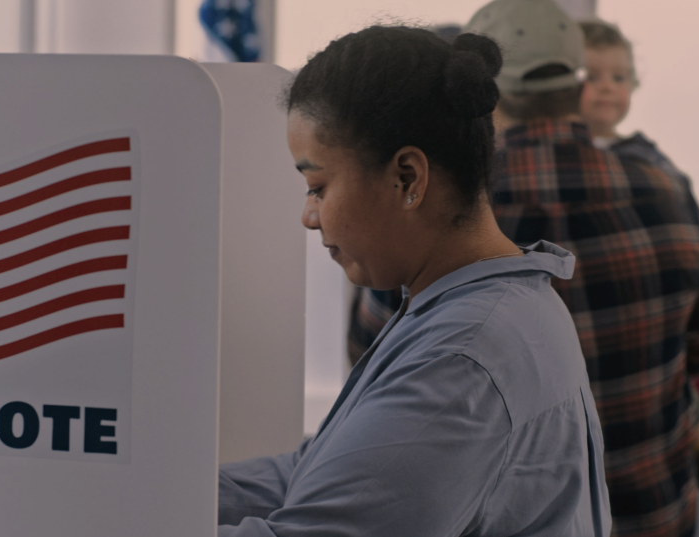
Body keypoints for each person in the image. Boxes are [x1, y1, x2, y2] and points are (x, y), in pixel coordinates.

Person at [218, 24, 610, 536]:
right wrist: (163, 486)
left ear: (408, 178)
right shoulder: (476, 305)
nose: (309, 216)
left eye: (317, 186)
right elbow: (317, 473)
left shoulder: (463, 358)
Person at [467, 1, 699, 535]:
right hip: (654, 509)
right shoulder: (670, 189)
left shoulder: (451, 206)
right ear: (576, 79)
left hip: (515, 518)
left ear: (480, 91)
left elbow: (379, 362)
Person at [577, 18, 699, 512]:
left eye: (619, 77)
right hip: (598, 323)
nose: (608, 88)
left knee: (676, 387)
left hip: (647, 332)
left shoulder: (653, 162)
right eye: (593, 76)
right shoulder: (568, 164)